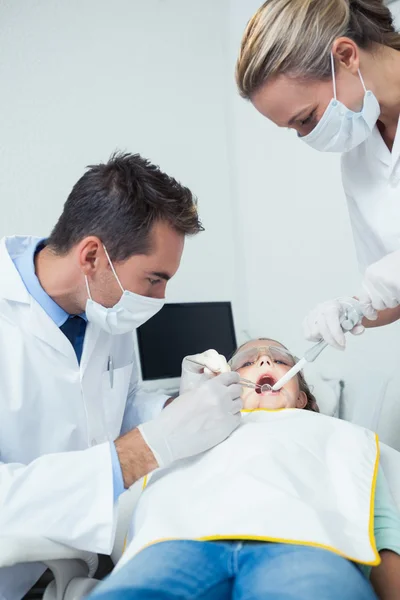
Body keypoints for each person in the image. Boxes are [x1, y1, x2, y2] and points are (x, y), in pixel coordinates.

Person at [0, 152, 243, 599]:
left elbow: (117, 404)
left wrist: (175, 408)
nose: (161, 298)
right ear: (92, 255)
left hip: (80, 563)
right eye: (154, 279)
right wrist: (142, 450)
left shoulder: (103, 309)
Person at [87, 339, 400, 600]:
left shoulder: (341, 434)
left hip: (303, 547)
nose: (264, 363)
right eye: (248, 362)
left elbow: (382, 532)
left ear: (301, 397)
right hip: (179, 544)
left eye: (278, 359)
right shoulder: (187, 430)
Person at [235, 0, 400, 350]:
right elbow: (390, 294)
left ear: (345, 56)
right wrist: (352, 308)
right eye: (293, 128)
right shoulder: (358, 161)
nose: (307, 136)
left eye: (306, 118)